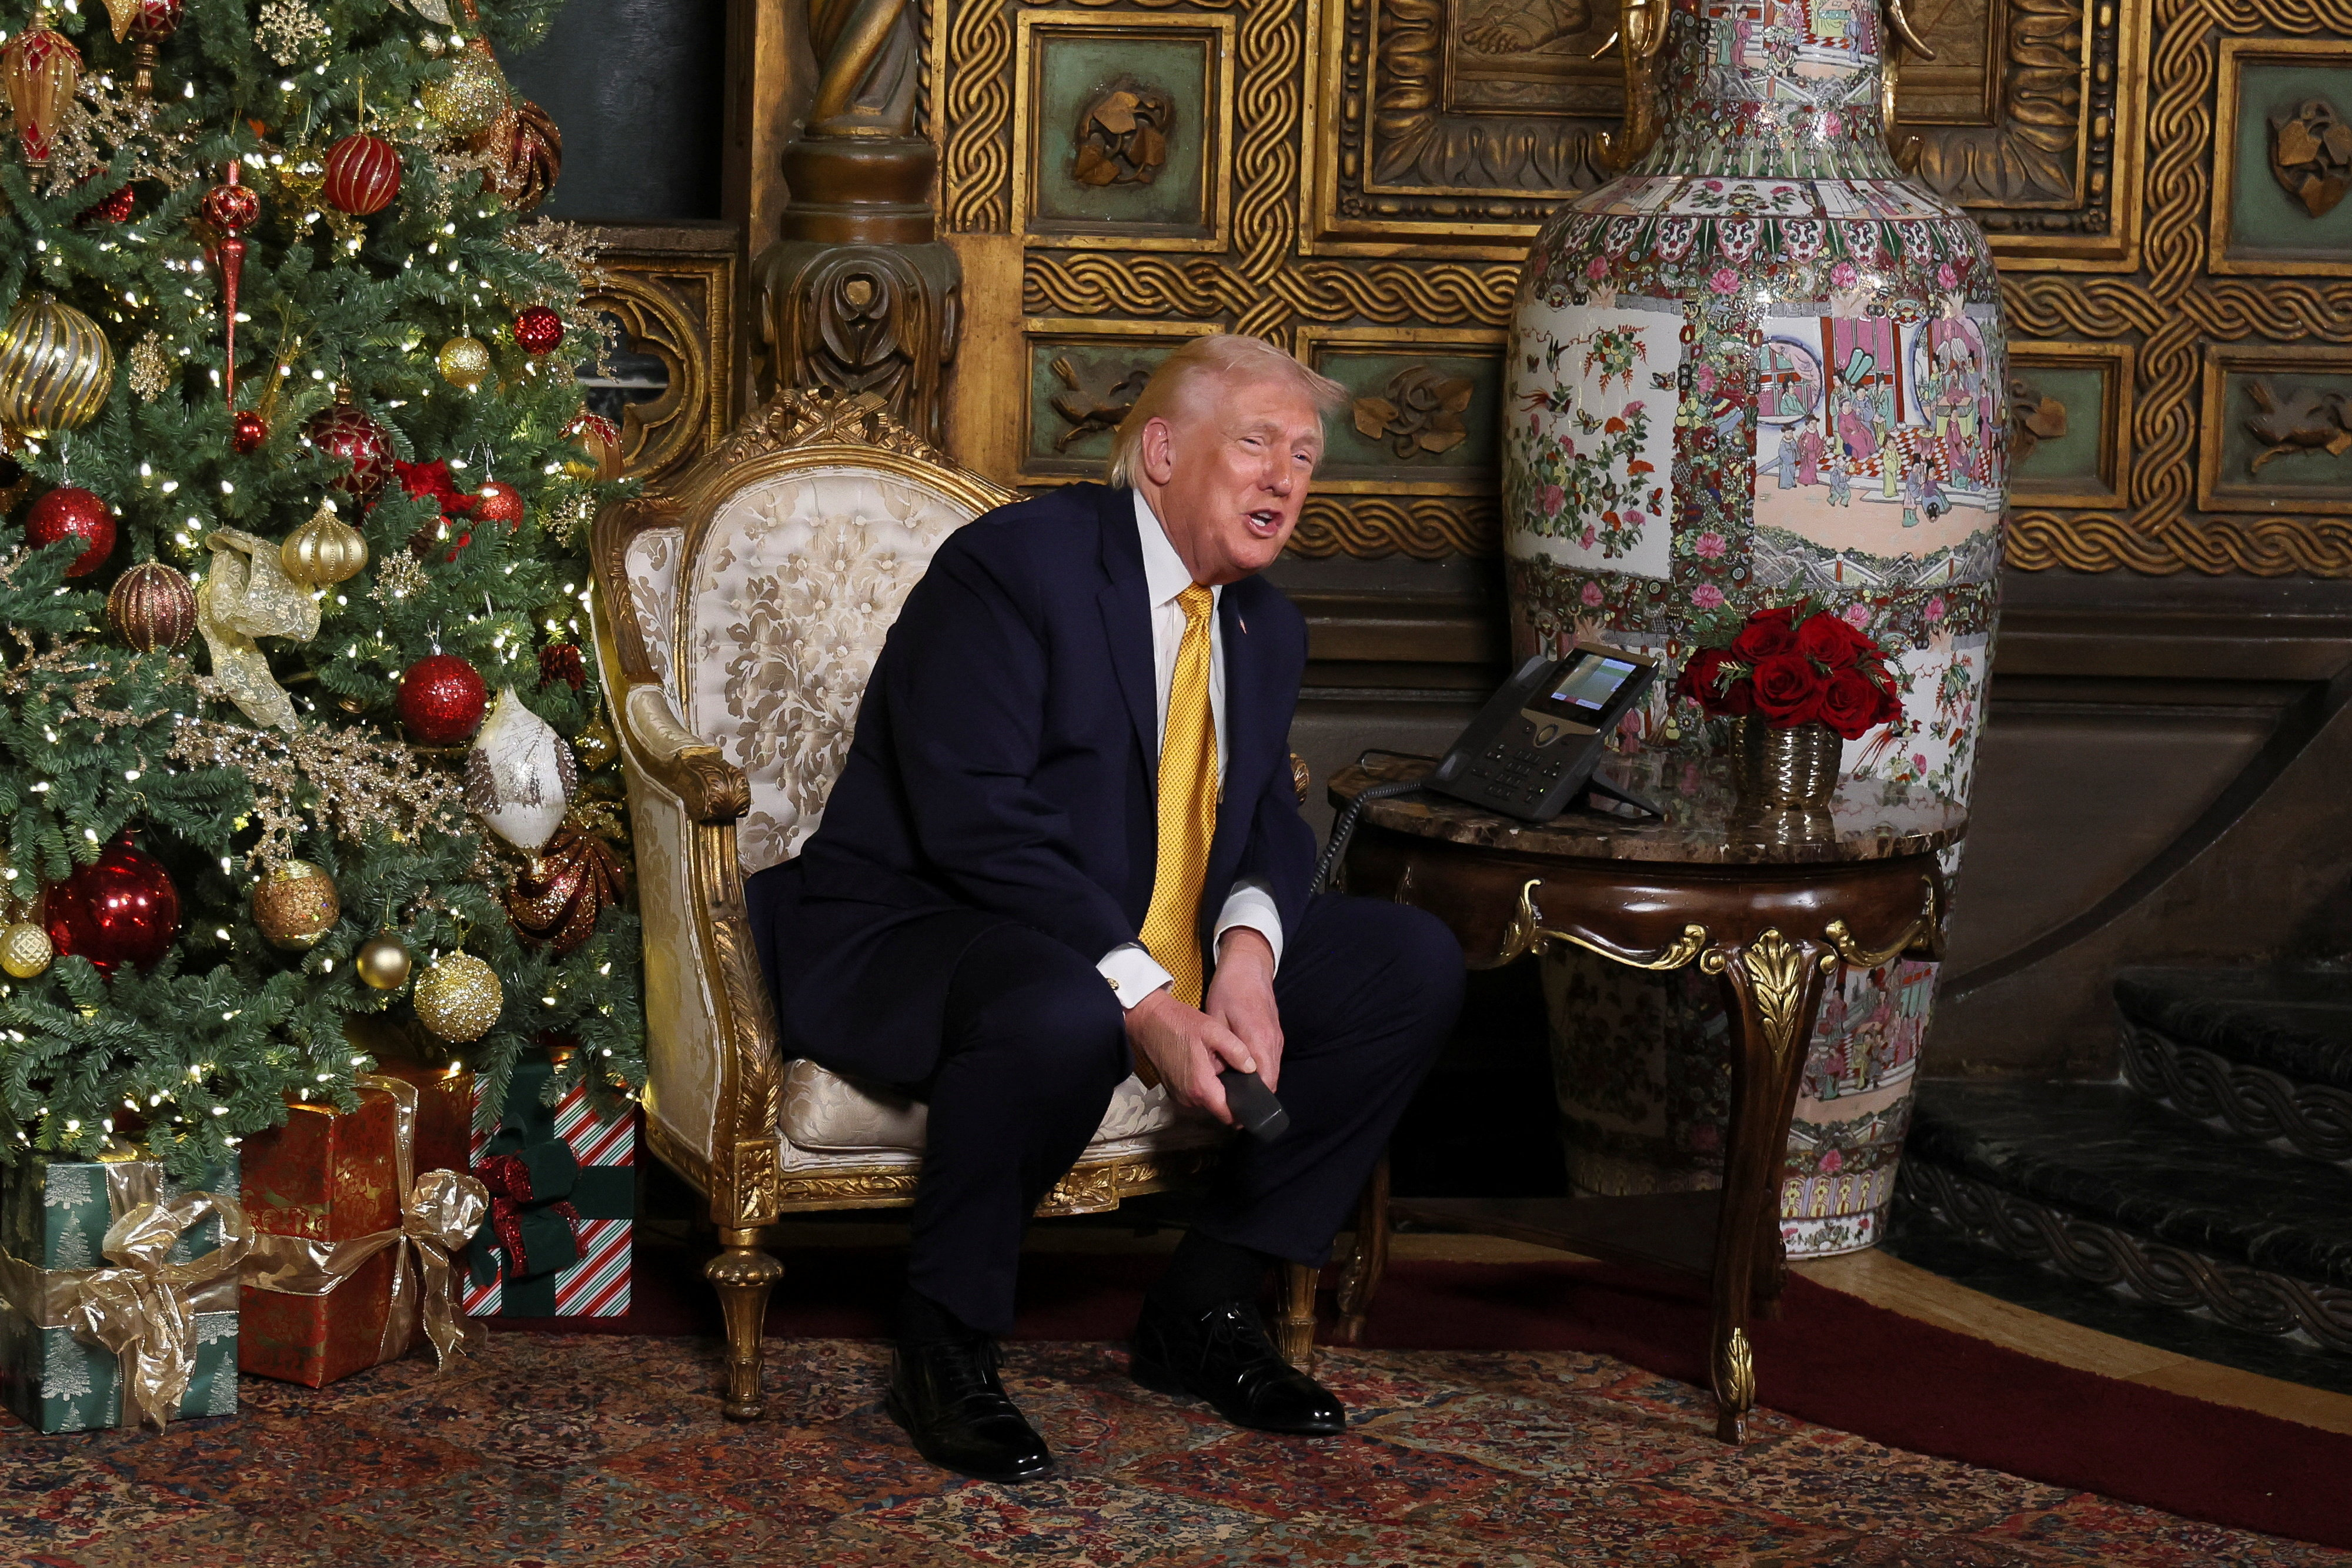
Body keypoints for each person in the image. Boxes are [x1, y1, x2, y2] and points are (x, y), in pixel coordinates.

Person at [744, 335, 1466, 1485]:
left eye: (1304, 457)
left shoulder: (1263, 624)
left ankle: (1204, 1305)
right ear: (1163, 451)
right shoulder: (1013, 566)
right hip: (919, 925)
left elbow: (1265, 820)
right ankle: (945, 1337)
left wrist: (1244, 957)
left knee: (1408, 962)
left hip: (1127, 930)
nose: (1285, 478)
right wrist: (1145, 995)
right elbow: (974, 818)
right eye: (1256, 444)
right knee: (1067, 1007)